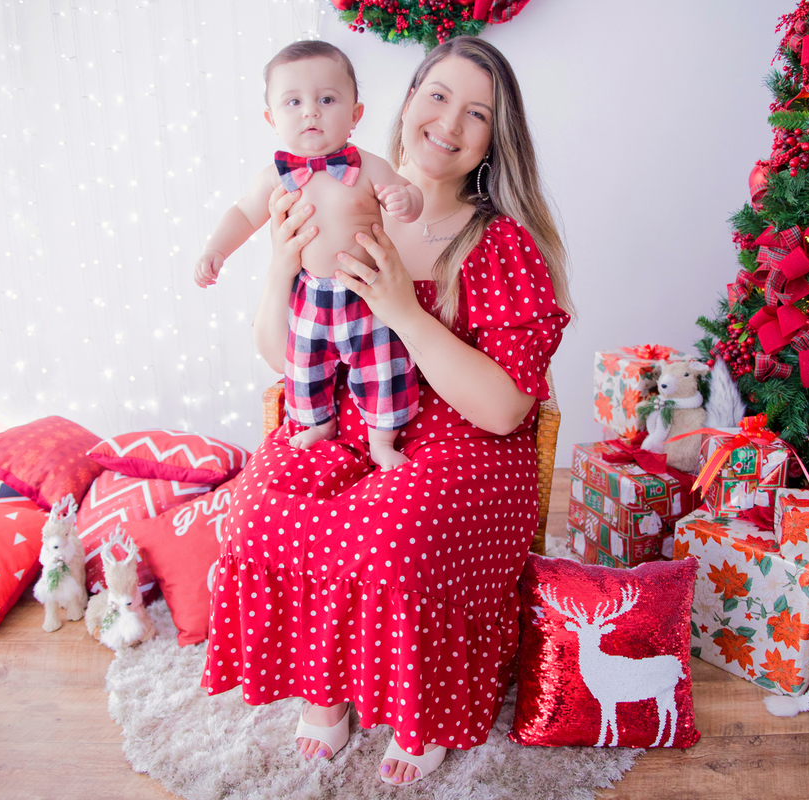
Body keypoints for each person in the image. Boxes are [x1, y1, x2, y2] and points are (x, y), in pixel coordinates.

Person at [201, 36, 573, 786]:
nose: (449, 122)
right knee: (256, 516)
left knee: (391, 540)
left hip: (460, 437)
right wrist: (279, 265)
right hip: (341, 416)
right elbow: (284, 354)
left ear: (493, 140)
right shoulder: (334, 193)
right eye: (437, 96)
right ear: (405, 105)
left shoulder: (498, 244)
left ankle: (424, 707)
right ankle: (325, 684)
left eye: (477, 113)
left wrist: (404, 309)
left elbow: (505, 410)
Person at [193, 41, 424, 470]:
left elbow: (409, 194)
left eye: (327, 99)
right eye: (294, 101)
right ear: (272, 119)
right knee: (302, 369)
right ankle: (318, 423)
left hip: (367, 293)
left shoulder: (369, 167)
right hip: (310, 297)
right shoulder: (274, 178)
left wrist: (405, 201)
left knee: (385, 368)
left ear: (356, 114)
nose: (310, 111)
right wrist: (215, 249)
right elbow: (243, 214)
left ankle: (382, 439)